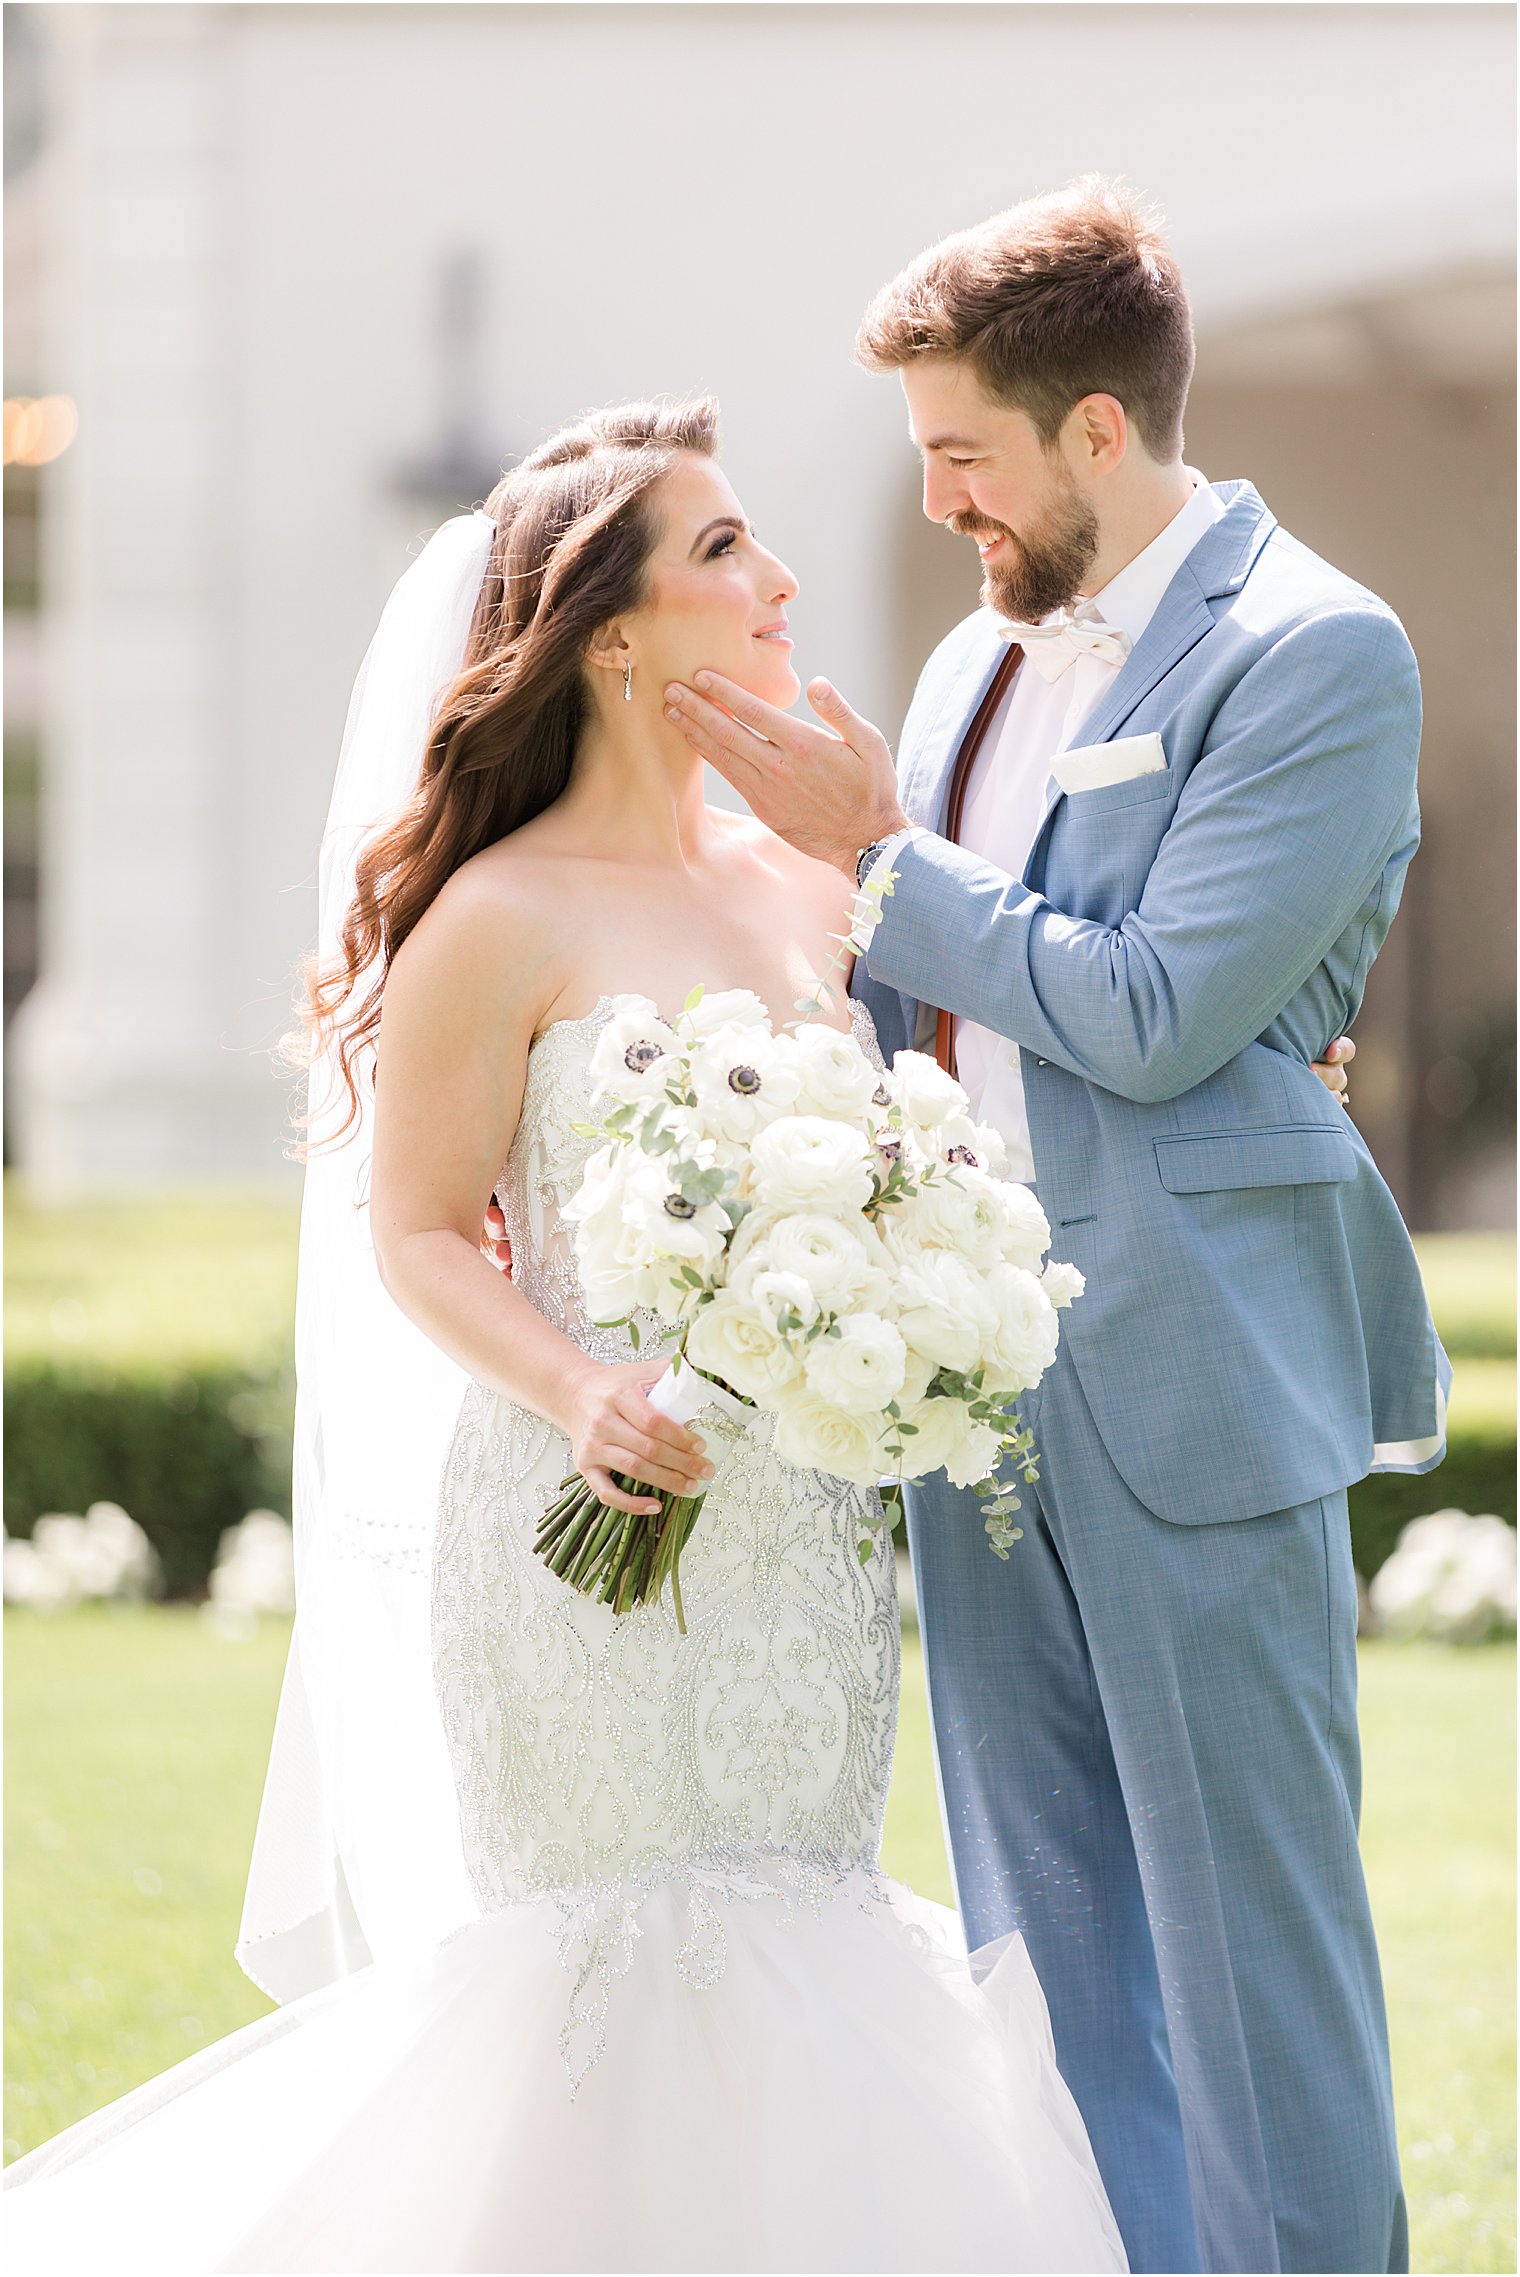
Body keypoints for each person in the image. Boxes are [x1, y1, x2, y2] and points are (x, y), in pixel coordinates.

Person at [4, 400, 1127, 2274]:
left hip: (797, 1533)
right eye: (722, 551)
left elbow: (943, 1132)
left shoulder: (808, 886)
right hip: (574, 1530)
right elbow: (422, 1230)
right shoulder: (492, 917)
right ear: (609, 634)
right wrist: (583, 1381)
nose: (776, 581)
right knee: (604, 1963)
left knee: (807, 1921)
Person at [664, 179, 1450, 2277]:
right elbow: (916, 997)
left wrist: (881, 854)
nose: (936, 503)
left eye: (963, 455)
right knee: (1042, 1944)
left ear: (1100, 428)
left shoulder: (1314, 648)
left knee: (1249, 1948)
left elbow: (1160, 1010)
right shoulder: (960, 665)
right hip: (956, 1382)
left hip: (1191, 1367)